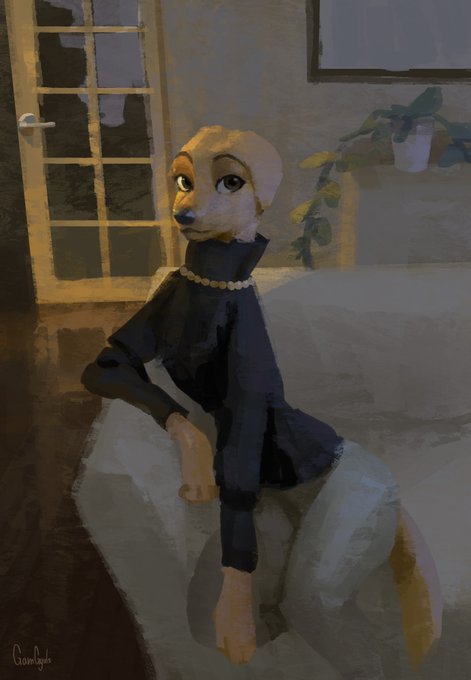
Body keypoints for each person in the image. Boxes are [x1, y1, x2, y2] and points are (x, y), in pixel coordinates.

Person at [81, 126, 440, 673]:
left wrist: (237, 582)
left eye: (228, 182)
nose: (188, 202)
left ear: (259, 201)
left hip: (339, 479)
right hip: (280, 488)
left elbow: (244, 441)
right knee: (206, 625)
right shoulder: (183, 289)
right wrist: (181, 427)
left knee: (310, 602)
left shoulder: (237, 306)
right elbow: (105, 367)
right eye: (184, 180)